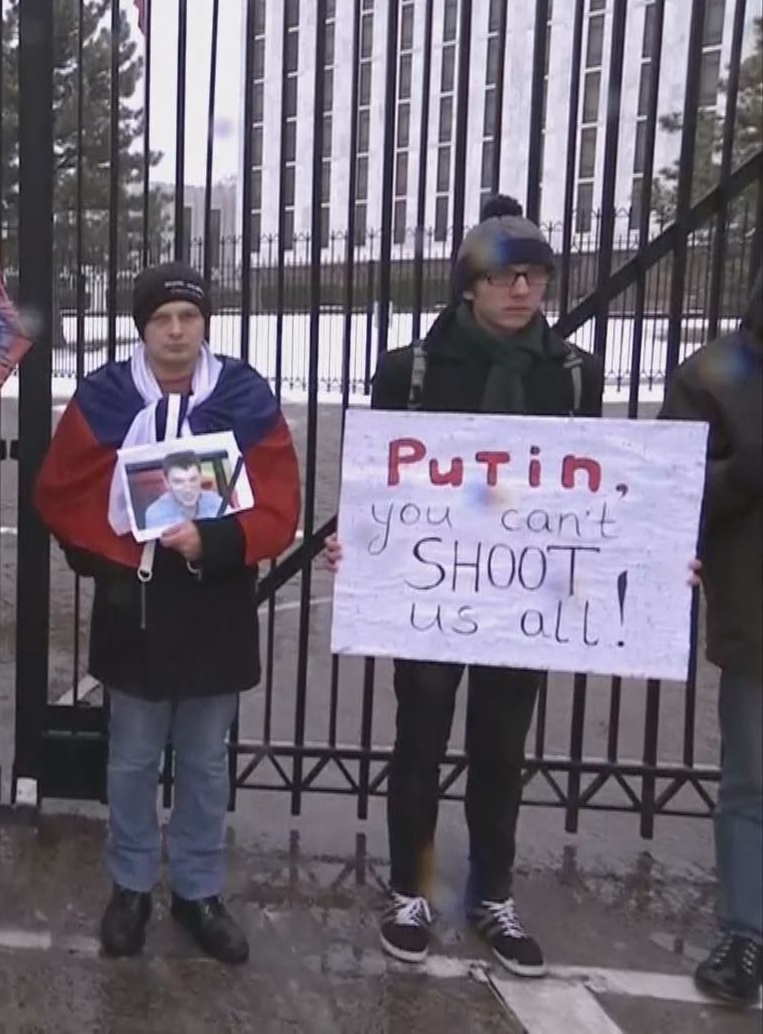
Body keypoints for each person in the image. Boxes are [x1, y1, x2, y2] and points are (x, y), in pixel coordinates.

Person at [324, 195, 602, 977]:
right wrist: (359, 545)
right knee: (420, 738)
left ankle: (491, 893)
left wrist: (640, 559)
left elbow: (604, 497)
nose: (524, 290)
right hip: (431, 591)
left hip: (524, 592)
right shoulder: (411, 371)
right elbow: (378, 480)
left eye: (536, 276)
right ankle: (412, 889)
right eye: (507, 276)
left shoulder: (572, 375)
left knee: (501, 746)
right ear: (470, 287)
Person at [34, 262, 302, 965]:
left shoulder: (243, 395)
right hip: (137, 602)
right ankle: (130, 887)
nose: (176, 332)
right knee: (131, 758)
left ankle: (198, 891)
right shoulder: (105, 395)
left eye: (188, 317)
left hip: (215, 599)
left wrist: (212, 538)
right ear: (143, 328)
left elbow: (278, 502)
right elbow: (60, 490)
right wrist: (114, 546)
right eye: (161, 319)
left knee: (207, 762)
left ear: (204, 323)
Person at [660, 267, 763, 1006]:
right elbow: (670, 488)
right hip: (756, 615)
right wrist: (746, 473)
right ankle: (745, 933)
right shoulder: (716, 373)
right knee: (752, 785)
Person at [140, 450, 226, 530]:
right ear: (166, 482)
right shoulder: (156, 514)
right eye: (178, 482)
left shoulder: (216, 502)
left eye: (193, 479)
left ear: (200, 477)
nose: (187, 489)